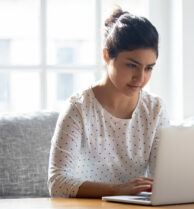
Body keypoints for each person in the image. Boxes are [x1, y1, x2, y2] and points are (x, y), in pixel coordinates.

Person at [47, 8, 169, 198]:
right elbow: (57, 183)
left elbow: (164, 179)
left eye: (149, 68)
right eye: (132, 65)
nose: (140, 77)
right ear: (106, 56)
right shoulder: (79, 108)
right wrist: (116, 190)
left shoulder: (155, 109)